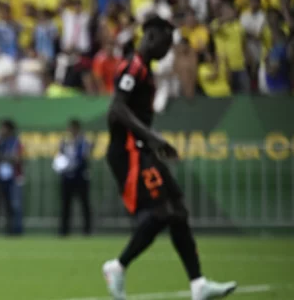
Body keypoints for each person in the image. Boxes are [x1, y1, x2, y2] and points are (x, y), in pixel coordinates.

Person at [101, 16, 236, 300]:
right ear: (150, 36)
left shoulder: (145, 71)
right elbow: (117, 109)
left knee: (177, 209)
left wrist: (153, 141)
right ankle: (118, 266)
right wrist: (153, 137)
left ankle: (198, 285)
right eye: (165, 41)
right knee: (162, 211)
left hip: (142, 148)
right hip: (128, 152)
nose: (167, 49)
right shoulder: (133, 66)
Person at [54, 119, 92, 236]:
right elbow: (60, 156)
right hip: (67, 177)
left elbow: (84, 157)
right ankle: (64, 231)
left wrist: (74, 165)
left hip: (80, 177)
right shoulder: (65, 142)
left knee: (84, 204)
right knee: (66, 205)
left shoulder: (83, 142)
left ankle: (87, 230)